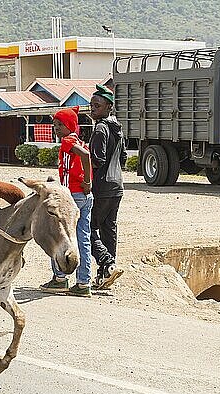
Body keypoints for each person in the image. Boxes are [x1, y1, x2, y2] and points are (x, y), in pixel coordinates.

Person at [39, 106, 94, 297]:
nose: (56, 128)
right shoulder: (79, 140)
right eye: (54, 125)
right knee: (82, 239)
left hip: (73, 197)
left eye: (60, 125)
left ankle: (60, 278)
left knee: (57, 236)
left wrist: (86, 182)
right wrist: (88, 183)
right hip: (85, 197)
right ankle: (83, 283)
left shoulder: (68, 141)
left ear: (70, 125)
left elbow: (85, 157)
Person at [88, 84, 127, 289]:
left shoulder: (101, 128)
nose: (92, 109)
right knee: (108, 229)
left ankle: (107, 263)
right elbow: (123, 158)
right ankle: (107, 274)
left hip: (101, 187)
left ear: (108, 107)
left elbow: (97, 160)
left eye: (97, 106)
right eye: (91, 105)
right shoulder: (117, 128)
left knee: (87, 228)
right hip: (117, 186)